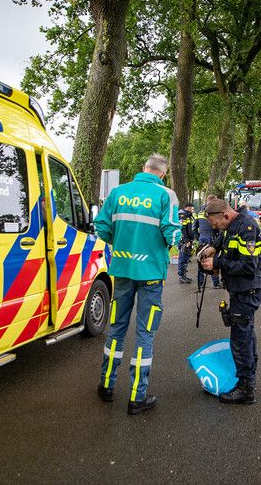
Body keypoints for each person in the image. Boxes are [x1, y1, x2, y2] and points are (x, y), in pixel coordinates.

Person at [94, 153, 181, 415]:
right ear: (162, 174)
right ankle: (137, 396)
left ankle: (107, 385)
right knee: (145, 334)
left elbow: (101, 226)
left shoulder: (118, 193)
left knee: (117, 328)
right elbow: (173, 232)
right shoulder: (166, 195)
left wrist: (120, 243)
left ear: (143, 169)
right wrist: (163, 247)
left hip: (121, 271)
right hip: (151, 275)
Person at [199, 199, 261, 404]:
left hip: (247, 290)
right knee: (246, 334)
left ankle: (246, 389)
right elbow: (224, 239)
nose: (214, 227)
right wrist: (212, 247)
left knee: (240, 340)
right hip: (239, 290)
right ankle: (249, 376)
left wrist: (217, 262)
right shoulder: (231, 226)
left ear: (226, 216)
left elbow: (247, 266)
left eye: (215, 223)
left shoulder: (247, 228)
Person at [193, 195, 221, 289]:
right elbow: (217, 225)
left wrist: (197, 236)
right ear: (212, 201)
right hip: (211, 237)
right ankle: (215, 283)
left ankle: (199, 283)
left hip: (202, 237)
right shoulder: (212, 211)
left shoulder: (199, 211)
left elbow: (195, 226)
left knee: (201, 259)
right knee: (212, 259)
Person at [177, 203, 195, 284]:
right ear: (188, 208)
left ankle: (184, 275)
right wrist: (186, 240)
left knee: (186, 258)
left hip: (188, 240)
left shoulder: (189, 215)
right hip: (184, 241)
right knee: (183, 258)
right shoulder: (183, 215)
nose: (193, 210)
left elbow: (190, 229)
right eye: (192, 208)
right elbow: (182, 229)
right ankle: (181, 276)